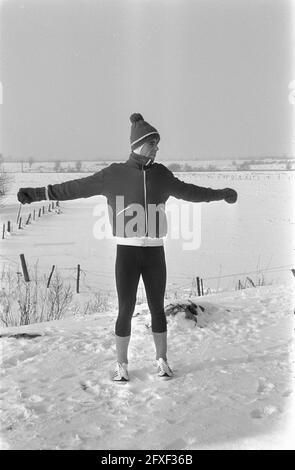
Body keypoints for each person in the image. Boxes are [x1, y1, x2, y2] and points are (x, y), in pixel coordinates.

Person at [17, 113, 238, 382]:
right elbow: (74, 188)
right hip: (127, 253)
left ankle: (162, 360)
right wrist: (37, 193)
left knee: (157, 307)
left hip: (155, 252)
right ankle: (121, 364)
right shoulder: (113, 174)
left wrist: (221, 194)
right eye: (153, 144)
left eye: (157, 144)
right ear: (139, 144)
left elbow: (191, 192)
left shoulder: (162, 175)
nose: (157, 149)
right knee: (126, 308)